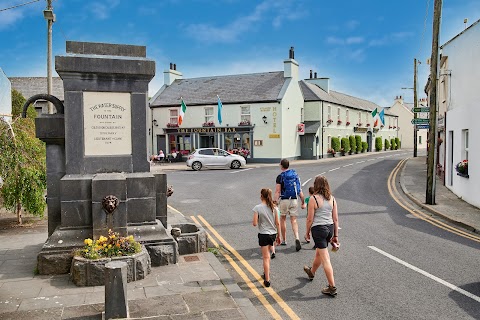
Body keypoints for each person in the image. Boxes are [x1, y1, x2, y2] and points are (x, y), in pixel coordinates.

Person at [303, 176, 339, 297]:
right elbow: (335, 219)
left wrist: (307, 232)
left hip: (318, 229)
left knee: (326, 259)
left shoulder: (313, 198)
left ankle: (332, 287)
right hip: (329, 229)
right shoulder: (332, 199)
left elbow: (309, 219)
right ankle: (311, 272)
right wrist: (336, 236)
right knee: (319, 252)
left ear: (316, 185)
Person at [274, 159, 306, 251]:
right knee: (294, 220)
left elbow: (277, 191)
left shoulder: (280, 177)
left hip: (284, 200)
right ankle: (297, 238)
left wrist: (274, 201)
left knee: (283, 219)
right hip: (294, 200)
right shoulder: (295, 175)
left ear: (281, 166)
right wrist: (303, 201)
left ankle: (284, 240)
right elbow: (299, 190)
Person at [252, 188, 281, 287]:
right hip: (272, 234)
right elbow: (277, 223)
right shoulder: (275, 208)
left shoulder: (257, 208)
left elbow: (255, 223)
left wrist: (260, 218)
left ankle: (267, 279)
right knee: (268, 255)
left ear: (261, 196)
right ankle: (266, 272)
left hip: (263, 234)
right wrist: (279, 235)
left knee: (265, 257)